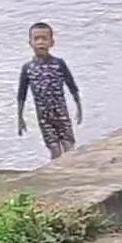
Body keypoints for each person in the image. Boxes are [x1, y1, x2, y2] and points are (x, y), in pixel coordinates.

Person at [17, 22, 83, 159]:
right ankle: (57, 174)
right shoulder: (28, 68)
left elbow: (72, 86)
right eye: (36, 39)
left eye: (44, 39)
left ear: (51, 42)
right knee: (54, 150)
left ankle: (70, 172)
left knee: (69, 146)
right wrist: (20, 118)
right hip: (44, 117)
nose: (40, 42)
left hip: (61, 114)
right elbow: (21, 94)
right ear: (30, 43)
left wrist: (79, 107)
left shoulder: (59, 64)